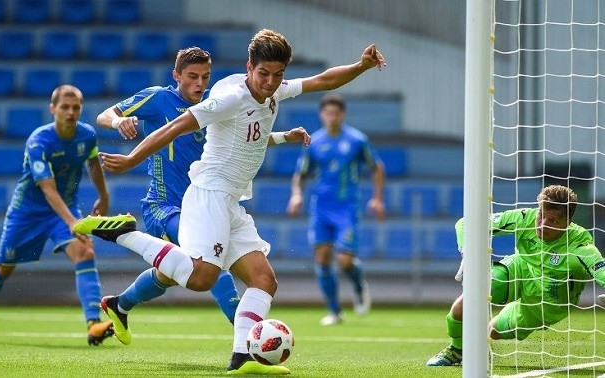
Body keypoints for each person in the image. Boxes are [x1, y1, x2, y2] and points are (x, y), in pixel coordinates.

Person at [74, 29, 385, 374]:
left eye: (277, 74)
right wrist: (132, 159)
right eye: (263, 73)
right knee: (203, 277)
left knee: (264, 280)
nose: (270, 82)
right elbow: (176, 125)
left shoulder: (273, 90)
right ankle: (122, 234)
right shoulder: (229, 98)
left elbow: (323, 81)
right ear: (248, 66)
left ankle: (243, 359)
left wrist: (361, 65)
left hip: (231, 200)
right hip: (208, 194)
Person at [94, 47, 240, 345]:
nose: (199, 83)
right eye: (192, 77)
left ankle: (119, 305)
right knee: (213, 266)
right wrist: (118, 121)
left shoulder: (212, 106)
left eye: (205, 77)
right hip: (163, 207)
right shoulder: (159, 98)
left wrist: (281, 137)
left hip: (202, 206)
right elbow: (105, 114)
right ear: (177, 76)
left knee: (171, 275)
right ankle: (248, 341)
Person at [0, 85, 114, 345]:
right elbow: (48, 189)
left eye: (76, 107)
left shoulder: (87, 136)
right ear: (53, 109)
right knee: (4, 267)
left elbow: (93, 162)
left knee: (85, 252)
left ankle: (93, 325)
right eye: (65, 107)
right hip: (27, 213)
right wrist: (73, 222)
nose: (71, 112)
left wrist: (104, 197)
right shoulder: (39, 141)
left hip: (65, 208)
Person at [427, 185, 605, 366]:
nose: (543, 224)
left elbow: (601, 271)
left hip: (547, 301)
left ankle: (479, 346)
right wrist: (468, 252)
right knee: (465, 303)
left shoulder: (581, 247)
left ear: (568, 221)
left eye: (552, 221)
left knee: (492, 332)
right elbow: (466, 223)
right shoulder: (525, 218)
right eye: (541, 215)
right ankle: (457, 350)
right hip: (520, 269)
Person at [286, 93, 385, 326]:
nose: (332, 117)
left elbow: (377, 167)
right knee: (322, 259)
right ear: (322, 115)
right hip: (320, 208)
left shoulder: (357, 140)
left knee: (344, 260)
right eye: (327, 113)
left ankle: (359, 285)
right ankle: (335, 311)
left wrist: (378, 199)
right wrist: (297, 195)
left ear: (343, 114)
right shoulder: (314, 142)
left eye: (336, 113)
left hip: (347, 208)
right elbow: (300, 174)